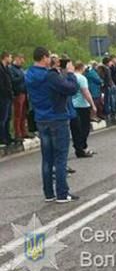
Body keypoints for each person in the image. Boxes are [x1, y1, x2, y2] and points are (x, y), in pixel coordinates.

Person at [26, 47, 80, 203]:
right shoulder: (50, 76)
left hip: (41, 118)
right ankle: (62, 193)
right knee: (61, 157)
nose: (51, 59)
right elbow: (71, 89)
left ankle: (48, 193)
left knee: (47, 158)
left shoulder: (29, 74)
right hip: (57, 118)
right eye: (49, 56)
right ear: (44, 58)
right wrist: (69, 73)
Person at [70, 62, 97, 158]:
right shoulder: (81, 78)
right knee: (85, 128)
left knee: (76, 129)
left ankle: (82, 147)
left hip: (72, 105)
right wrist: (92, 105)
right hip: (82, 105)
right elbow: (86, 92)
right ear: (82, 68)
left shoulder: (71, 76)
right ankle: (81, 147)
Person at [10, 53, 28, 142]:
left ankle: (23, 131)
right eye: (21, 60)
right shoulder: (12, 69)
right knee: (18, 114)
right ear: (17, 59)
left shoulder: (20, 69)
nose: (22, 62)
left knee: (23, 114)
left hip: (24, 92)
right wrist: (22, 76)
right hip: (18, 93)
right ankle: (17, 133)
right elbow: (13, 81)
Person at [0, 52, 13, 147]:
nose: (11, 59)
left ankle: (7, 136)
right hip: (3, 96)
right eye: (10, 57)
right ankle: (2, 137)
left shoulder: (7, 69)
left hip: (8, 96)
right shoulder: (1, 69)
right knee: (3, 118)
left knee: (8, 117)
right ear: (5, 57)